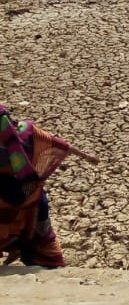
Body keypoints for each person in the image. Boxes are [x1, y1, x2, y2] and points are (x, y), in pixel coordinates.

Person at [0, 103, 71, 267]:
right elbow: (58, 143)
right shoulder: (26, 131)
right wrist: (88, 157)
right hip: (31, 192)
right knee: (42, 229)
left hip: (11, 195)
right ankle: (49, 260)